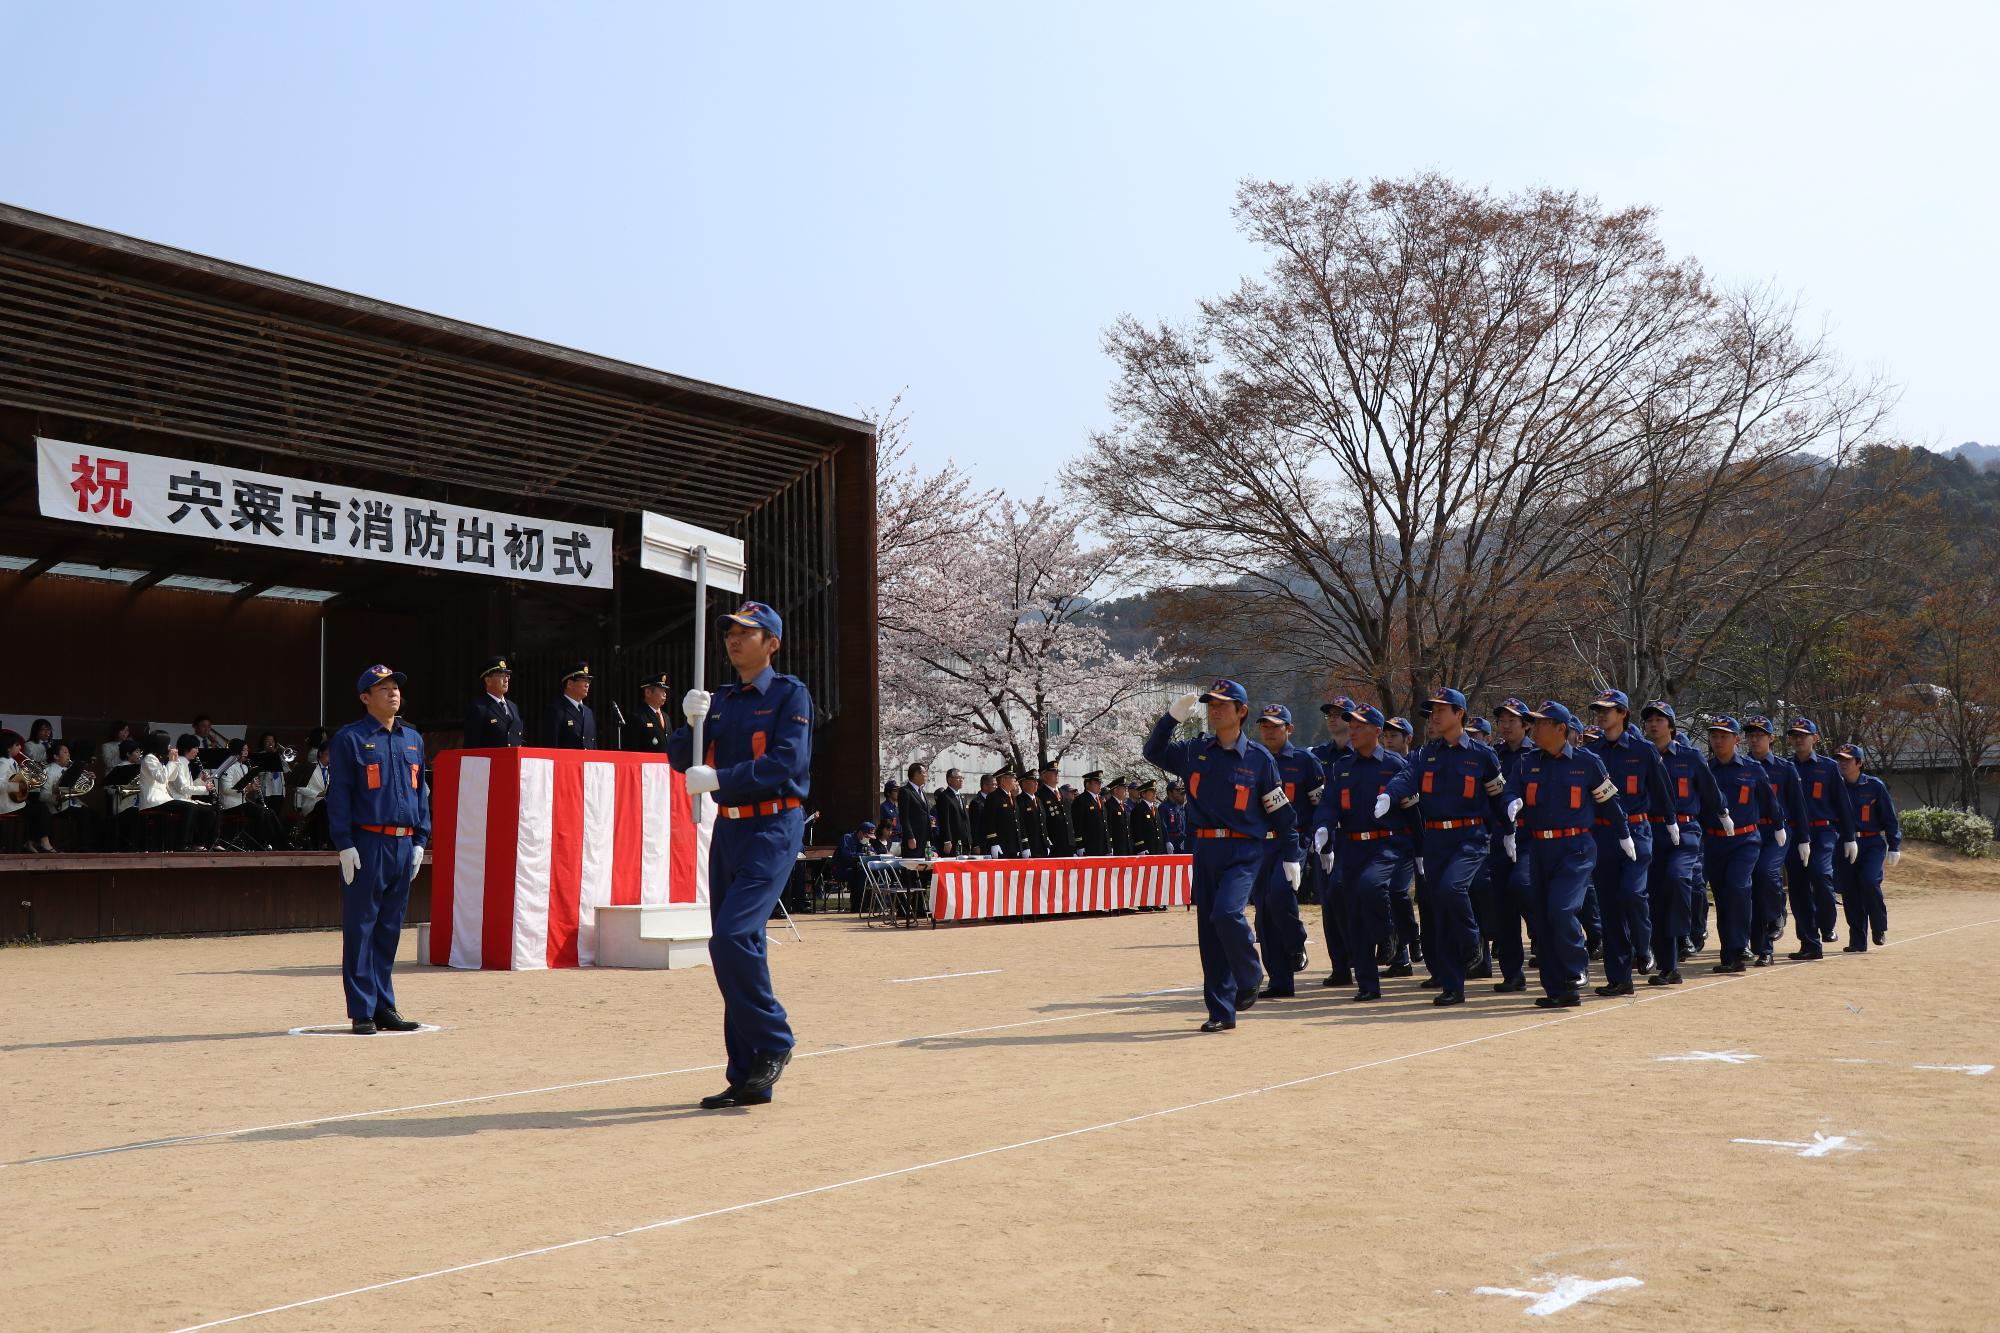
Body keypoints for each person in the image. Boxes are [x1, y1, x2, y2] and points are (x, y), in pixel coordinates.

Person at [671, 600, 812, 1109]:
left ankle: (775, 1041)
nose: (733, 639)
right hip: (728, 831)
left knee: (730, 939)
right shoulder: (723, 699)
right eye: (729, 631)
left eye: (746, 633)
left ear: (771, 643)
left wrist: (722, 778)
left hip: (773, 825)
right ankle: (749, 1075)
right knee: (739, 947)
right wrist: (689, 724)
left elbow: (784, 762)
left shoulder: (790, 694)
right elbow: (681, 762)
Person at [1144, 679, 1299, 1032]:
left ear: (1241, 711)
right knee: (1209, 933)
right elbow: (1153, 753)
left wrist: (1291, 852)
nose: (1214, 710)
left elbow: (1280, 811)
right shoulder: (1194, 751)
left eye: (1222, 705)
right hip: (1206, 848)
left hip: (1244, 848)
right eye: (1210, 704)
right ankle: (1221, 1011)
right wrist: (1170, 719)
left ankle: (1250, 972)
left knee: (1227, 914)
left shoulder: (1259, 760)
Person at [1380, 688, 1509, 1006]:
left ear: (1459, 714)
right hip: (1436, 838)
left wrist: (1508, 829)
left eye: (1441, 710)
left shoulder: (1481, 755)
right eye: (1432, 711)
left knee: (1453, 889)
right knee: (1439, 910)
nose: (1435, 716)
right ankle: (1453, 985)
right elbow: (1407, 777)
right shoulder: (1426, 754)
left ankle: (1472, 943)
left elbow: (1497, 796)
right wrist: (1389, 794)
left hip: (1470, 838)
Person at [326, 664, 430, 1036]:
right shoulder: (350, 739)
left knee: (389, 929)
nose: (393, 693)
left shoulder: (413, 739)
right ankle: (362, 1009)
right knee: (361, 928)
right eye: (382, 688)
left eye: (395, 687)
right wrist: (345, 845)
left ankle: (385, 1005)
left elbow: (421, 793)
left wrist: (420, 840)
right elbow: (339, 795)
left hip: (403, 843)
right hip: (367, 843)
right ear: (365, 698)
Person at [1505, 702, 1621, 1008]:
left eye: (1541, 724)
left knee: (1561, 908)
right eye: (1534, 723)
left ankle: (1576, 968)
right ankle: (1559, 989)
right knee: (1543, 920)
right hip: (1540, 849)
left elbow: (1609, 802)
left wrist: (1624, 836)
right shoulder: (1527, 763)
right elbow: (1510, 790)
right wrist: (1512, 802)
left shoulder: (1587, 762)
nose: (1535, 729)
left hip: (1576, 849)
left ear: (1560, 729)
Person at [1316, 704, 1413, 1001]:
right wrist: (1323, 828)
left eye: (1359, 727)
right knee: (1347, 904)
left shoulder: (1396, 765)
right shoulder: (1341, 767)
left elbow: (1412, 811)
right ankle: (1367, 984)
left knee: (1371, 887)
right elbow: (1330, 804)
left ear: (1376, 731)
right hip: (1351, 846)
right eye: (1351, 726)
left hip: (1386, 845)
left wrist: (1419, 850)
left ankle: (1388, 937)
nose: (1353, 732)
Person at [1583, 689, 1672, 997]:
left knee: (1632, 893)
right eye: (1598, 710)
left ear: (1623, 713)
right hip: (1603, 836)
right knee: (1608, 907)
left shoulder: (1643, 750)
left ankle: (1644, 946)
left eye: (1608, 709)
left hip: (1638, 832)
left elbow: (1662, 790)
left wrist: (1671, 824)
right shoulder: (1592, 753)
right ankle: (1619, 977)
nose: (1602, 714)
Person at [1641, 700, 1724, 983]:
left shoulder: (1690, 757)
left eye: (1660, 720)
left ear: (1672, 726)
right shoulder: (1641, 755)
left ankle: (1684, 935)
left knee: (1677, 880)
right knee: (1654, 895)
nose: (1653, 724)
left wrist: (1723, 814)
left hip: (1686, 831)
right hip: (1649, 831)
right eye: (1649, 720)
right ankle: (1668, 966)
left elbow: (1710, 791)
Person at [1252, 705, 1320, 996]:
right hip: (1259, 845)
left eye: (1275, 726)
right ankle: (1280, 981)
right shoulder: (1253, 759)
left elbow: (1319, 804)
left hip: (1293, 840)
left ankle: (1296, 943)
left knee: (1280, 894)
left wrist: (1320, 842)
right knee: (1264, 914)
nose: (1268, 731)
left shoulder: (1305, 761)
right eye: (1264, 726)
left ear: (1288, 729)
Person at [1703, 717, 1779, 973]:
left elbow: (1769, 801)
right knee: (1724, 897)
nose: (1718, 741)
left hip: (1745, 841)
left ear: (1736, 740)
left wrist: (1779, 827)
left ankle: (1745, 944)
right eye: (1714, 736)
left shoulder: (1752, 768)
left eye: (1724, 736)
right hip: (1714, 841)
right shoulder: (1706, 769)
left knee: (1738, 886)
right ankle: (1731, 956)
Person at [1786, 717, 1856, 960]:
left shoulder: (1828, 767)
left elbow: (1842, 804)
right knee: (1798, 888)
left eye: (1803, 735)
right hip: (1794, 833)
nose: (1798, 739)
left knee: (1819, 873)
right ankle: (1809, 943)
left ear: (1815, 739)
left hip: (1823, 831)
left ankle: (1827, 924)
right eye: (1794, 735)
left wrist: (1849, 836)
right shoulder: (1786, 767)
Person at [1741, 717, 1806, 965]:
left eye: (1760, 734)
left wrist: (1803, 839)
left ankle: (1777, 911)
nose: (1754, 739)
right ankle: (1762, 948)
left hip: (1776, 833)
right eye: (1751, 734)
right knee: (1751, 888)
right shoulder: (1740, 766)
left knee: (1766, 873)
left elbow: (1797, 805)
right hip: (1747, 833)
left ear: (1771, 738)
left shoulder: (1785, 769)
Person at [1484, 698, 1538, 992]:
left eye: (1511, 721)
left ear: (1526, 725)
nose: (1505, 726)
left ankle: (1548, 940)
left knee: (1523, 887)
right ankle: (1512, 973)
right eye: (1502, 721)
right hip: (1499, 838)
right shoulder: (1494, 757)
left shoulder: (1537, 755)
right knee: (1503, 907)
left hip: (1530, 838)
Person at [1833, 742, 1899, 952]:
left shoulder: (1874, 785)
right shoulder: (1835, 786)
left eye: (1847, 759)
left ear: (1859, 763)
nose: (1842, 763)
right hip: (1844, 843)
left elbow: (1889, 817)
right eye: (1840, 759)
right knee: (1850, 891)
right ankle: (1857, 940)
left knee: (1869, 882)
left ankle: (1878, 927)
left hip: (1871, 843)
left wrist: (1894, 843)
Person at [214, 737, 284, 850]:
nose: (247, 753)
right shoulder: (228, 767)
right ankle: (265, 842)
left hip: (241, 802)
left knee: (269, 811)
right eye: (244, 750)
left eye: (247, 750)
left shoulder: (245, 766)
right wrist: (247, 788)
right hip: (230, 805)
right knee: (261, 811)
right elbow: (226, 789)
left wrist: (253, 786)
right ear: (237, 751)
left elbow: (245, 788)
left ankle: (279, 841)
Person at [1, 729, 56, 852]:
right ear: (8, 748)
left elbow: (17, 780)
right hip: (6, 804)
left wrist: (27, 778)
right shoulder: (2, 763)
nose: (20, 747)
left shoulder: (12, 761)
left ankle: (31, 843)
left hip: (14, 802)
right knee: (41, 809)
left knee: (38, 809)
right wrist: (19, 785)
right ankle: (44, 843)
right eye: (17, 745)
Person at [463, 656, 526, 748]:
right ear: (488, 681)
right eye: (501, 675)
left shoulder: (513, 706)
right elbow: (472, 745)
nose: (506, 680)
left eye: (507, 675)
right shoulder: (479, 708)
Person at [545, 662, 598, 749]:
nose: (587, 684)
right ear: (570, 684)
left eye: (588, 680)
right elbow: (551, 747)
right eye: (583, 680)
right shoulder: (556, 710)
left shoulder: (588, 712)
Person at [979, 767, 1026, 857]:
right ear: (1003, 780)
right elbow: (989, 821)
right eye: (1012, 777)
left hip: (1014, 846)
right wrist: (994, 843)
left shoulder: (1012, 797)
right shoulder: (994, 797)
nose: (1015, 780)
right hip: (1001, 846)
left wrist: (1024, 844)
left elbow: (1018, 822)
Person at [625, 671, 673, 754]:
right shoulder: (637, 717)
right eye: (661, 690)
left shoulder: (666, 717)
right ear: (648, 693)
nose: (665, 694)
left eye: (665, 691)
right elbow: (632, 750)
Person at [933, 768, 971, 857]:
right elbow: (944, 820)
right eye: (958, 778)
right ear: (949, 779)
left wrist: (969, 839)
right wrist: (947, 840)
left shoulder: (962, 797)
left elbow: (966, 820)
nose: (961, 780)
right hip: (953, 841)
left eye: (962, 778)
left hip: (964, 841)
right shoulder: (945, 796)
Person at [1037, 764, 1073, 856]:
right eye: (1053, 772)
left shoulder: (1064, 794)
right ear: (1044, 776)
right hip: (1053, 843)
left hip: (1069, 843)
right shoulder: (1040, 795)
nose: (1057, 774)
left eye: (1057, 772)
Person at [898, 762, 933, 858]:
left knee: (925, 869)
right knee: (913, 868)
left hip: (925, 838)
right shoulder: (905, 791)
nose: (926, 775)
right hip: (914, 838)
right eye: (924, 773)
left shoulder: (921, 791)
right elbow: (904, 817)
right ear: (916, 775)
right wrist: (910, 837)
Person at [1071, 772, 1110, 855]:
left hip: (1102, 846)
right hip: (1089, 846)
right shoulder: (1081, 800)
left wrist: (1109, 846)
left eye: (1100, 783)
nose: (1099, 785)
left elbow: (1104, 823)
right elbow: (1077, 824)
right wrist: (1079, 844)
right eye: (1096, 783)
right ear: (1087, 784)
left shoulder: (1100, 800)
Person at [1130, 779, 1165, 854]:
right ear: (1143, 794)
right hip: (1146, 849)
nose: (1154, 794)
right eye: (1151, 792)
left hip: (1157, 849)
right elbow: (1137, 830)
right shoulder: (1138, 809)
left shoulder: (1155, 809)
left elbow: (1159, 828)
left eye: (1155, 792)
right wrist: (1141, 847)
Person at [1104, 776, 1134, 856]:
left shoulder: (1122, 805)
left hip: (1126, 846)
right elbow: (1108, 827)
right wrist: (1110, 846)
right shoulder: (1109, 805)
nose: (1126, 791)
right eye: (1123, 788)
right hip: (1116, 847)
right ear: (1116, 790)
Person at [1159, 781, 1188, 852]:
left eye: (1181, 789)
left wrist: (1186, 839)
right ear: (1170, 792)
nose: (1180, 791)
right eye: (1177, 790)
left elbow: (1185, 824)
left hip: (1182, 840)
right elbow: (1163, 826)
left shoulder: (1180, 807)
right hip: (1171, 841)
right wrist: (1167, 841)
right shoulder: (1163, 807)